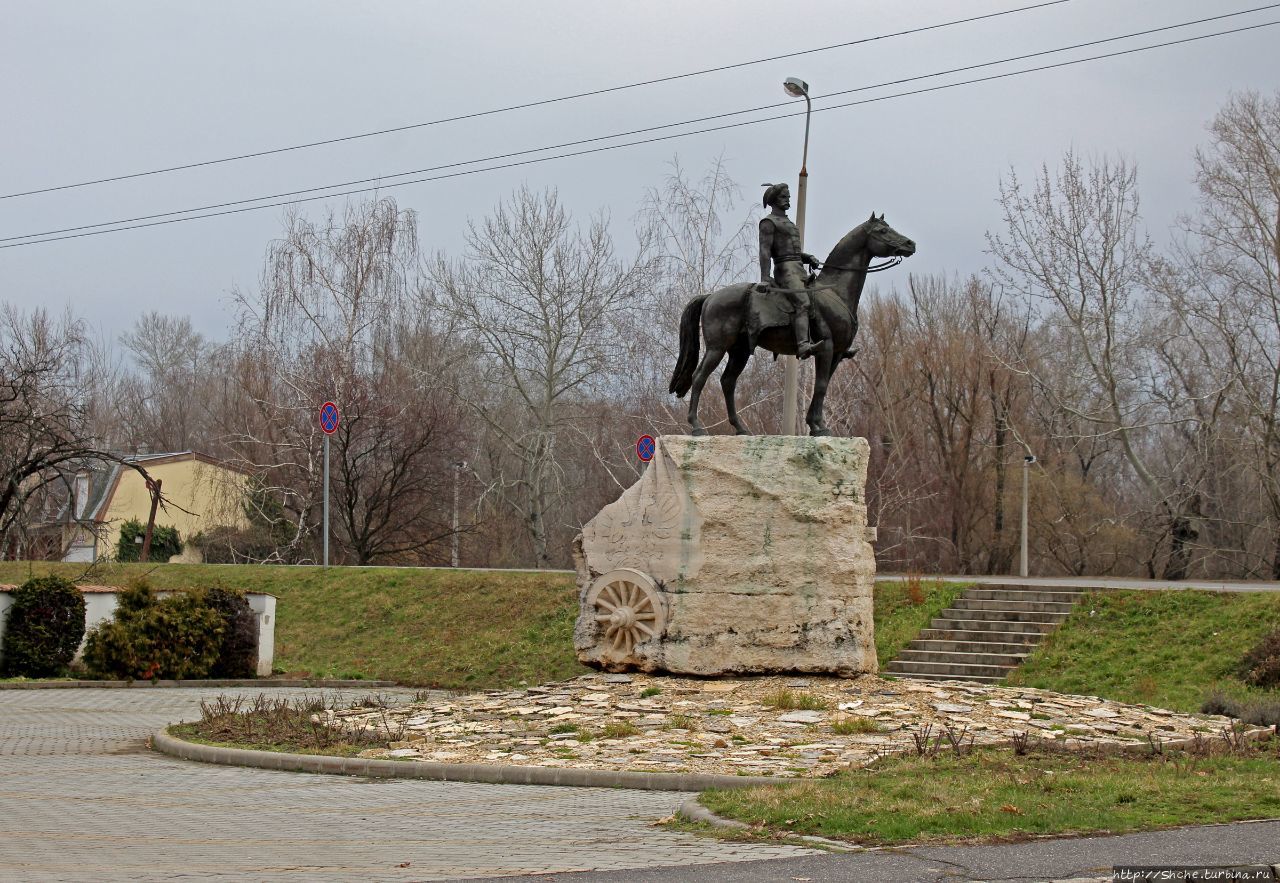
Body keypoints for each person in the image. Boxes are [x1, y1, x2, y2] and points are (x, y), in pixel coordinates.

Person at [758, 182, 822, 358]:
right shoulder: (768, 222)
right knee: (803, 302)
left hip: (798, 268)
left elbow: (792, 252)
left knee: (820, 299)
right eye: (783, 197)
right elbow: (765, 251)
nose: (788, 200)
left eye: (788, 197)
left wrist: (807, 258)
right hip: (785, 271)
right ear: (773, 200)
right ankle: (802, 345)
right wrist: (765, 277)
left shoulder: (789, 223)